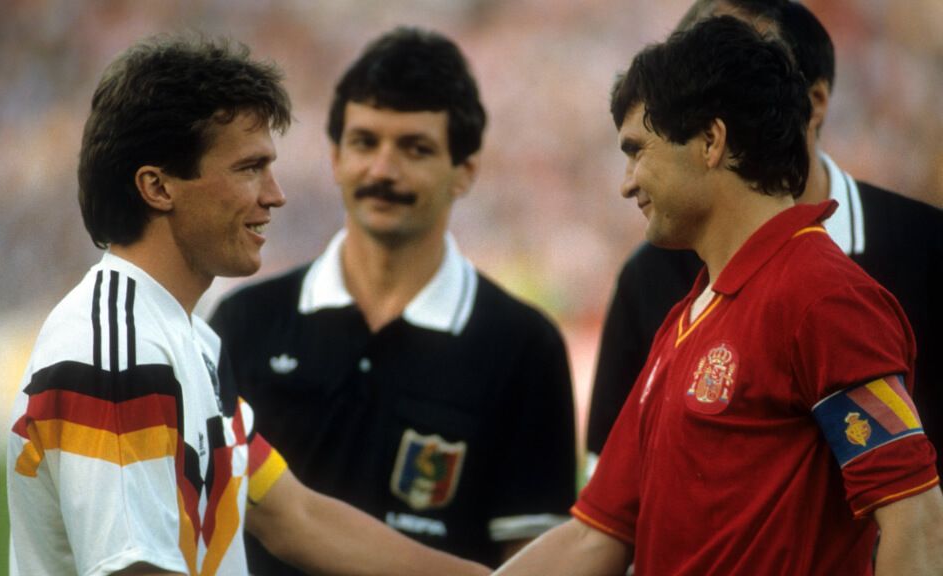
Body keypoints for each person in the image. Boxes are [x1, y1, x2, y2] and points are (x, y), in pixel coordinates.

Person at [5, 34, 490, 576]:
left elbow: (295, 516)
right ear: (158, 187)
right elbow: (135, 569)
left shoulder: (191, 340)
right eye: (249, 168)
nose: (275, 194)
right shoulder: (115, 354)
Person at [495, 16, 943, 575]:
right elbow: (595, 537)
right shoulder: (685, 319)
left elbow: (915, 518)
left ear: (711, 140)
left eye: (638, 151)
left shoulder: (823, 296)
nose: (626, 181)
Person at [209, 27, 577, 573]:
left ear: (466, 172)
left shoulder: (523, 344)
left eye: (415, 148)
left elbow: (528, 560)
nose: (383, 170)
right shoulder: (245, 321)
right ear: (334, 156)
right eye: (365, 142)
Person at [587, 0, 943, 479]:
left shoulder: (924, 252)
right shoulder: (652, 276)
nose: (716, 104)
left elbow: (910, 506)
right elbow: (608, 512)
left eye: (746, 69)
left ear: (813, 103)